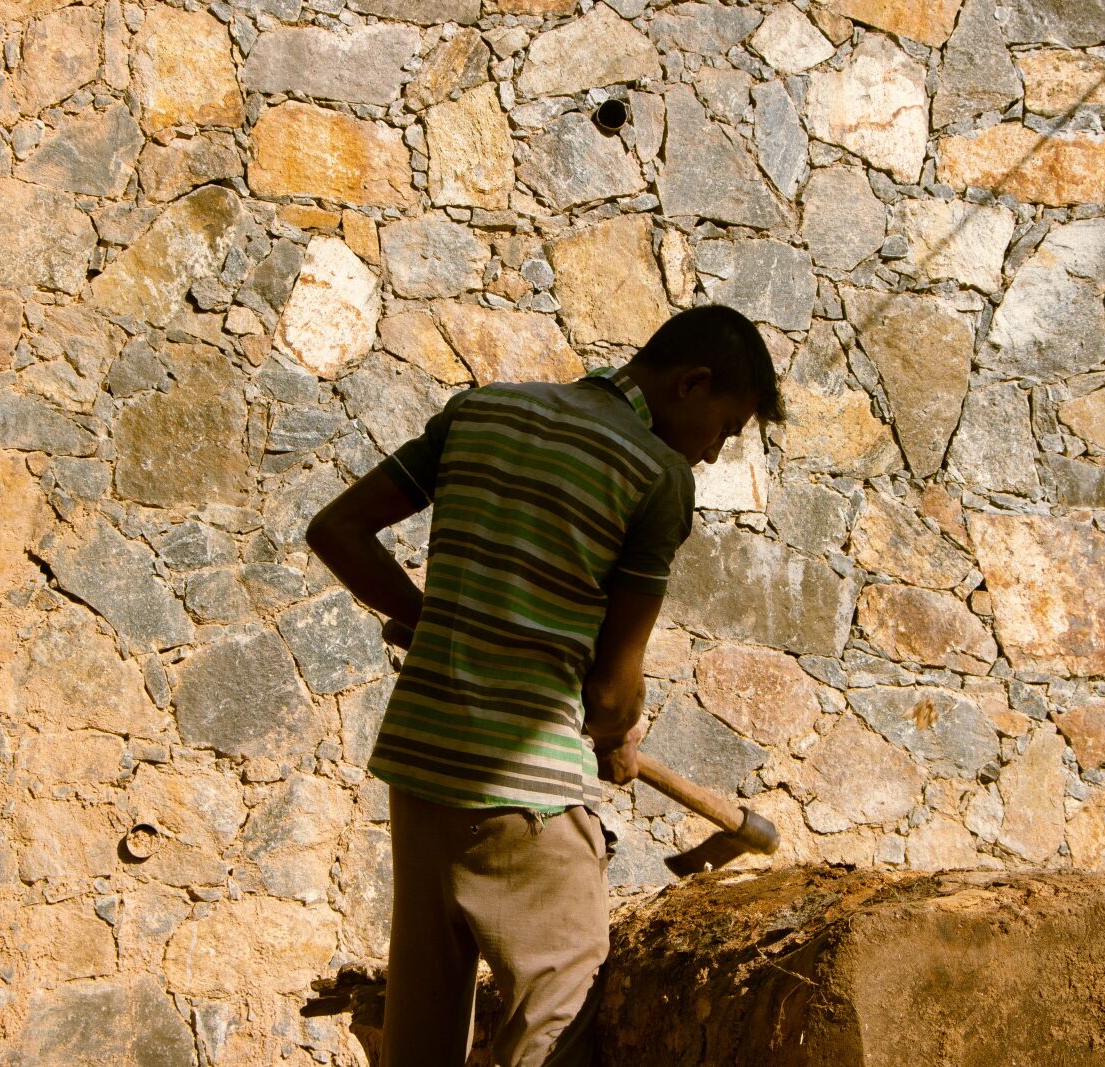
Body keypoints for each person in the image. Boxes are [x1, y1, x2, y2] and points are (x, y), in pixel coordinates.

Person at [306, 304, 784, 1066]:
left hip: (422, 772)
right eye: (724, 428)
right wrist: (616, 734)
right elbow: (610, 693)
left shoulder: (482, 411)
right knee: (560, 1021)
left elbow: (336, 529)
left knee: (421, 1040)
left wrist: (427, 617)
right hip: (525, 795)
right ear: (692, 383)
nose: (716, 454)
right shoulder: (655, 476)